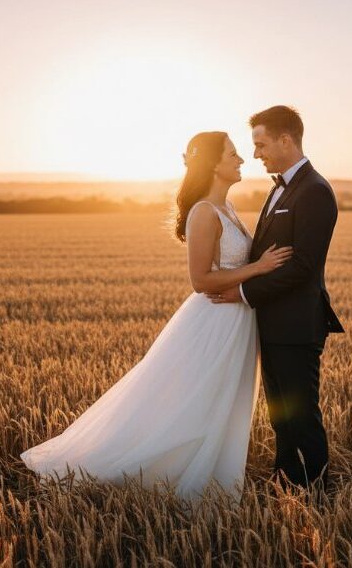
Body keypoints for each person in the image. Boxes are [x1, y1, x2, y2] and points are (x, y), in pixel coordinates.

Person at [20, 131, 293, 501]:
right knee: (193, 403)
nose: (241, 159)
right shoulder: (203, 212)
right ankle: (161, 477)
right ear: (213, 164)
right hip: (213, 322)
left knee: (220, 403)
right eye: (233, 154)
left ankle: (209, 477)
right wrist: (258, 268)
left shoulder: (227, 208)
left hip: (235, 321)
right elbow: (200, 280)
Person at [208, 105, 345, 493]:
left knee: (300, 416)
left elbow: (302, 267)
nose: (256, 154)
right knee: (281, 417)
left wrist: (242, 292)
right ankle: (286, 483)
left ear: (286, 139)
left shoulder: (315, 191)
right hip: (273, 323)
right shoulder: (280, 187)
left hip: (297, 326)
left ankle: (317, 492)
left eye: (261, 144)